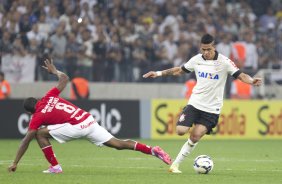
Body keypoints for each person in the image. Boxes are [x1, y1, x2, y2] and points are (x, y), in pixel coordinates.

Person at [8, 59, 171, 174]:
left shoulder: (37, 116)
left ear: (29, 113)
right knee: (118, 143)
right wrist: (55, 71)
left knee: (38, 133)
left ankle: (55, 167)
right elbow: (64, 78)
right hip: (88, 120)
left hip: (77, 127)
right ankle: (152, 150)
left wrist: (15, 162)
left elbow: (25, 141)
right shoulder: (49, 96)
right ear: (37, 100)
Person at [143, 34, 262, 174]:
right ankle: (190, 123)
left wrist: (252, 81)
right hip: (194, 103)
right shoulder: (196, 60)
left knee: (195, 136)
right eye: (203, 49)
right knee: (180, 131)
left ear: (214, 47)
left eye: (208, 49)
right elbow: (179, 70)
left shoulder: (224, 62)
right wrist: (157, 73)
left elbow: (241, 75)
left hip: (212, 109)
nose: (205, 52)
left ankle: (175, 165)